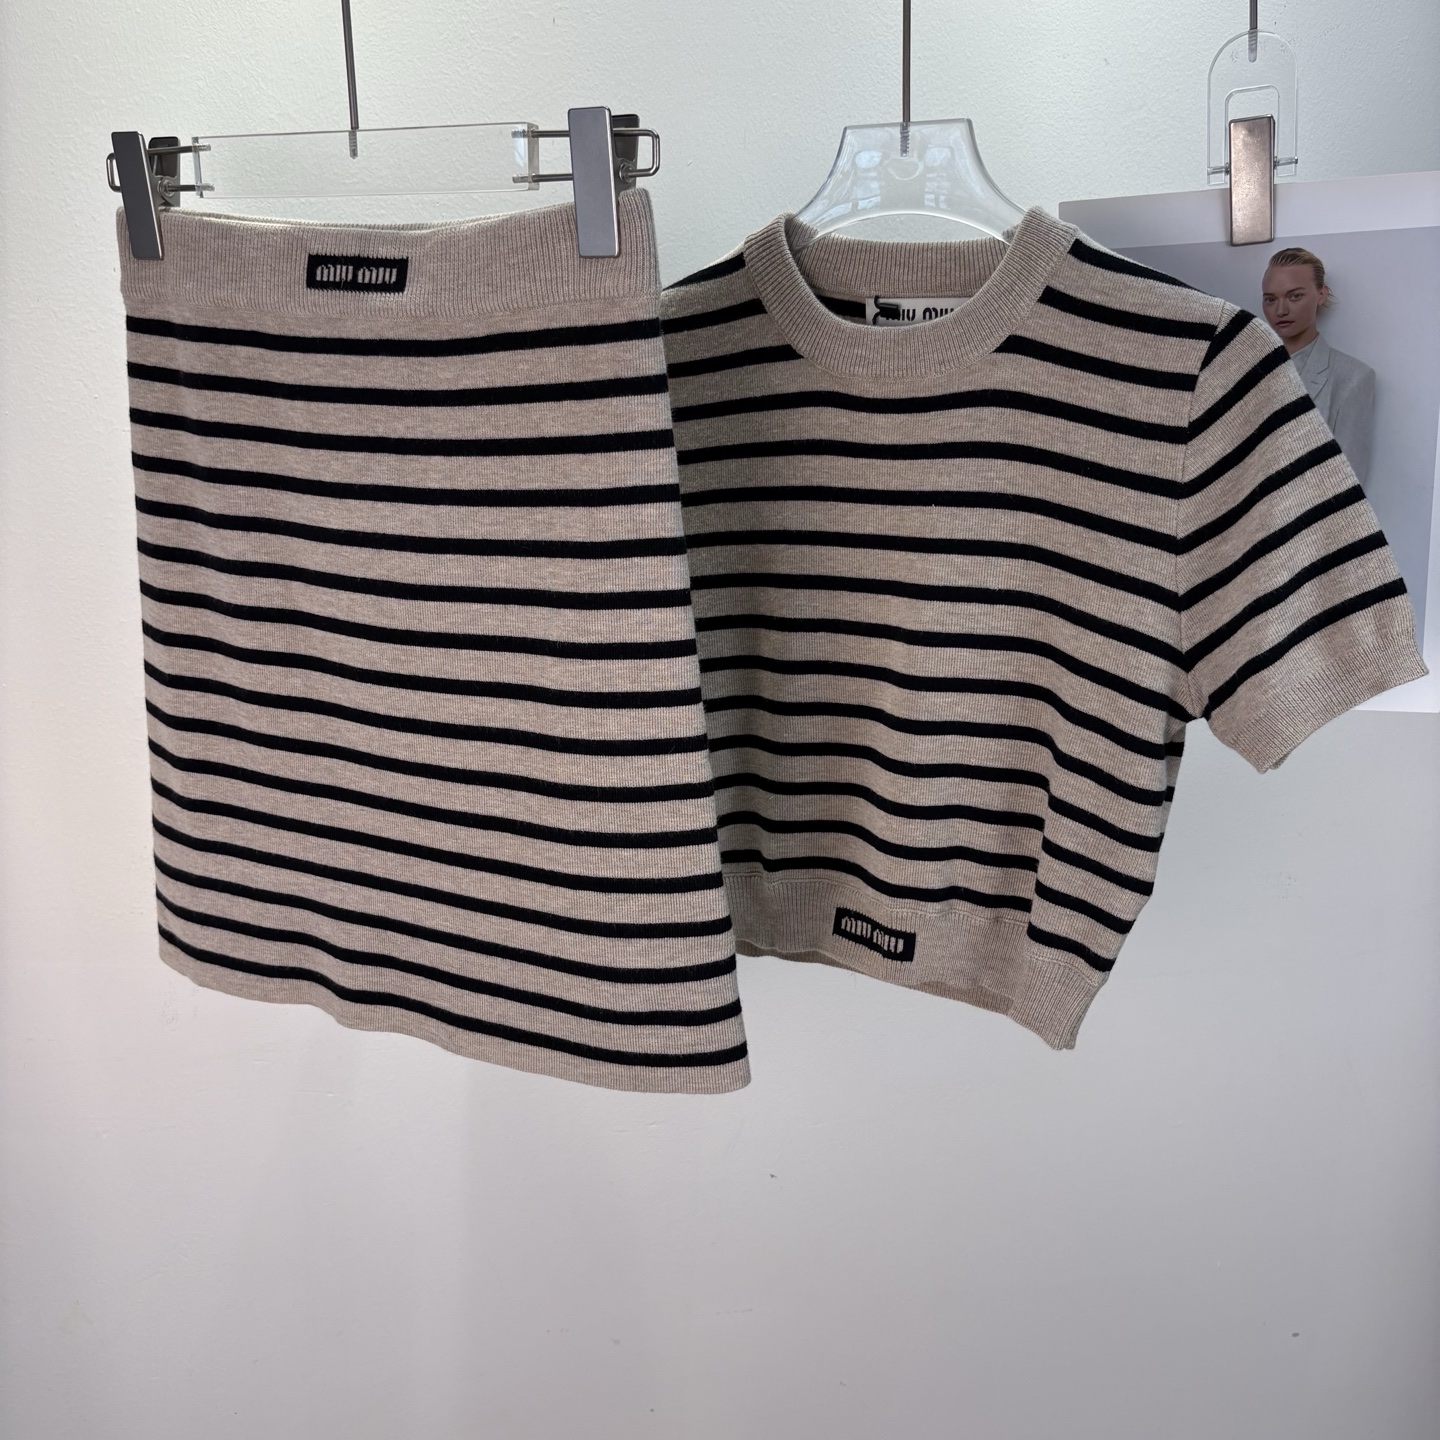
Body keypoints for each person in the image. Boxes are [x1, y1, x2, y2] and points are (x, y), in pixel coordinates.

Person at [1261, 246, 1376, 485]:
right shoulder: (1244, 369)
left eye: (1295, 296)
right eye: (1271, 299)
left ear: (1321, 294)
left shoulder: (1353, 377)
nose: (1280, 310)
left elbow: (1348, 483)